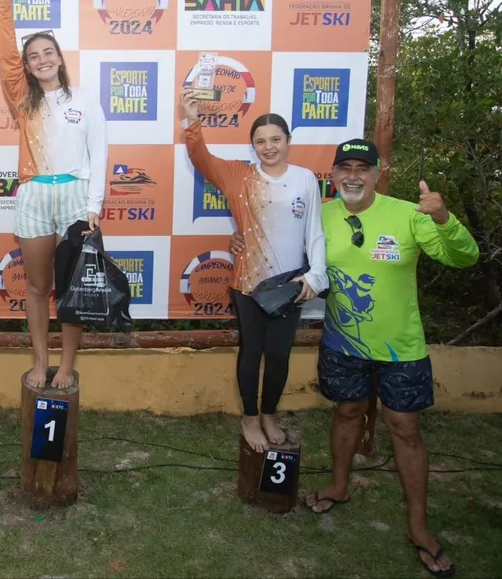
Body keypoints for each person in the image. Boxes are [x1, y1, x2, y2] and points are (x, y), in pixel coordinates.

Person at [229, 139, 478, 578]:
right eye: (344, 167)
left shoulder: (407, 213)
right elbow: (281, 244)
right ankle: (339, 487)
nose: (353, 175)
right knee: (346, 412)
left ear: (377, 173)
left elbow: (464, 257)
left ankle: (419, 529)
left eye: (363, 167)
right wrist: (239, 246)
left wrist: (443, 218)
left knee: (405, 429)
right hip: (344, 344)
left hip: (402, 348)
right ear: (334, 174)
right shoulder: (321, 213)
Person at [180, 89, 327, 452]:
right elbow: (200, 157)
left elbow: (315, 232)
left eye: (276, 139)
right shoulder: (238, 175)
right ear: (252, 147)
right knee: (252, 352)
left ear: (288, 141)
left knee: (279, 354)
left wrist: (314, 276)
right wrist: (192, 119)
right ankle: (249, 416)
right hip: (247, 283)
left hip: (290, 285)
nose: (269, 147)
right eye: (260, 141)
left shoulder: (306, 178)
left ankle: (269, 413)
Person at [0, 0, 108, 390]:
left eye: (48, 52)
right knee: (39, 286)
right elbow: (4, 55)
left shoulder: (83, 99)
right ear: (26, 66)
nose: (41, 59)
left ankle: (66, 364)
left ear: (59, 58)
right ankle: (41, 362)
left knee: (73, 288)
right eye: (33, 56)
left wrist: (93, 205)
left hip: (77, 197)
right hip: (35, 194)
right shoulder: (25, 102)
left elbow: (100, 154)